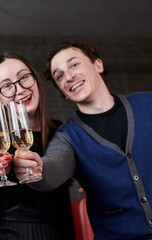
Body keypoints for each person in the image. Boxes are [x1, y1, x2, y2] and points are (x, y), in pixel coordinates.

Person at [13, 41, 152, 239]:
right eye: (59, 76)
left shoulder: (147, 103)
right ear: (63, 92)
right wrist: (34, 168)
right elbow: (51, 168)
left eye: (74, 64)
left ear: (98, 65)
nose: (68, 77)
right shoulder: (68, 136)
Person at [0, 52, 75, 240]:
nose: (20, 89)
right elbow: (0, 162)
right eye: (7, 86)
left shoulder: (62, 131)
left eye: (24, 77)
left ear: (36, 79)